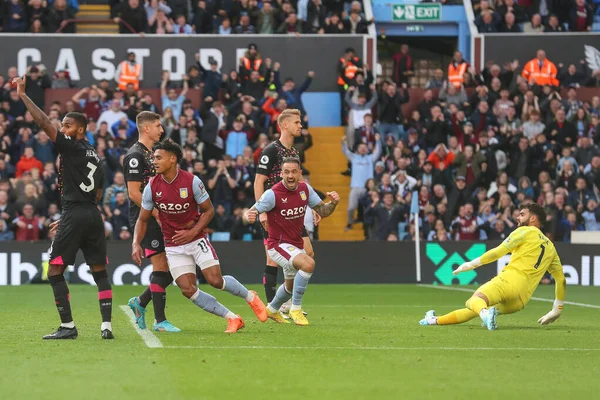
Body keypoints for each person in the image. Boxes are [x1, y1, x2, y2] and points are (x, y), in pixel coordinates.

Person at [12, 75, 112, 340]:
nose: (62, 127)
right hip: (92, 214)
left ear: (80, 130)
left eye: (67, 125)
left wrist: (23, 95)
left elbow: (44, 121)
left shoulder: (72, 146)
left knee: (54, 270)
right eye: (63, 124)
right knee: (99, 270)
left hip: (76, 213)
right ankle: (107, 326)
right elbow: (98, 193)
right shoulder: (94, 154)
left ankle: (67, 327)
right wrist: (74, 215)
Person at [132, 139, 267, 333]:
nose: (154, 161)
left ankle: (250, 297)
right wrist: (136, 243)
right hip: (173, 245)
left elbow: (209, 211)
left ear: (172, 159)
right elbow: (142, 219)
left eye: (158, 157)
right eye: (154, 157)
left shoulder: (192, 181)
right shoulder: (151, 187)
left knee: (215, 280)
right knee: (187, 289)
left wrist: (192, 232)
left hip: (197, 240)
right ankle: (232, 318)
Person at [419, 203, 566, 330]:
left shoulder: (525, 231)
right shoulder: (551, 248)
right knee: (476, 309)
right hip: (521, 300)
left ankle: (485, 315)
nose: (518, 217)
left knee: (472, 301)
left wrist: (471, 264)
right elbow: (561, 280)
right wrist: (556, 310)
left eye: (522, 214)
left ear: (533, 218)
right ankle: (433, 320)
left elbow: (498, 252)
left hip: (508, 282)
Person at [244, 157, 340, 325]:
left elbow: (323, 211)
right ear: (281, 174)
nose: (290, 175)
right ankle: (296, 309)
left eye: (293, 172)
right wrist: (248, 216)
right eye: (286, 172)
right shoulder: (272, 194)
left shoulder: (305, 190)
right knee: (308, 263)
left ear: (299, 174)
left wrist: (333, 203)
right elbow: (250, 212)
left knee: (289, 287)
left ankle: (272, 310)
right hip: (278, 245)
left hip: (295, 245)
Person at [254, 108, 319, 317]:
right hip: (274, 214)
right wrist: (261, 212)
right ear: (284, 125)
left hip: (294, 213)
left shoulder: (294, 152)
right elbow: (259, 181)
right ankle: (273, 305)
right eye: (297, 123)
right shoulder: (271, 150)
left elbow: (299, 184)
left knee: (307, 254)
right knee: (273, 260)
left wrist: (313, 206)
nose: (301, 126)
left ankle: (286, 302)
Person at [124, 111, 180, 332]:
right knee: (161, 268)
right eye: (157, 125)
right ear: (146, 128)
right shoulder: (135, 156)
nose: (161, 129)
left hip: (161, 217)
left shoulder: (153, 154)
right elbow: (133, 193)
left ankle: (140, 302)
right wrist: (158, 213)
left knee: (173, 271)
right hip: (146, 219)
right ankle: (160, 321)